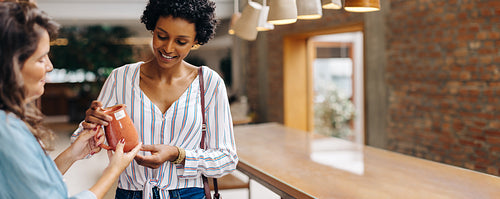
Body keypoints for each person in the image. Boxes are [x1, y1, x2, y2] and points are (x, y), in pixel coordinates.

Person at [74, 0, 239, 198]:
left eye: (181, 42)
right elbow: (79, 142)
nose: (168, 48)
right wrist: (91, 127)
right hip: (131, 193)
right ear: (153, 28)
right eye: (162, 36)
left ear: (196, 41)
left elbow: (227, 158)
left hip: (189, 194)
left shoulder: (210, 83)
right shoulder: (121, 78)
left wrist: (178, 155)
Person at [0, 2, 142, 199]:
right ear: (11, 66)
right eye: (41, 59)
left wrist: (73, 153)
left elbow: (35, 187)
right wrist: (113, 171)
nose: (49, 66)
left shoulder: (10, 121)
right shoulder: (6, 130)